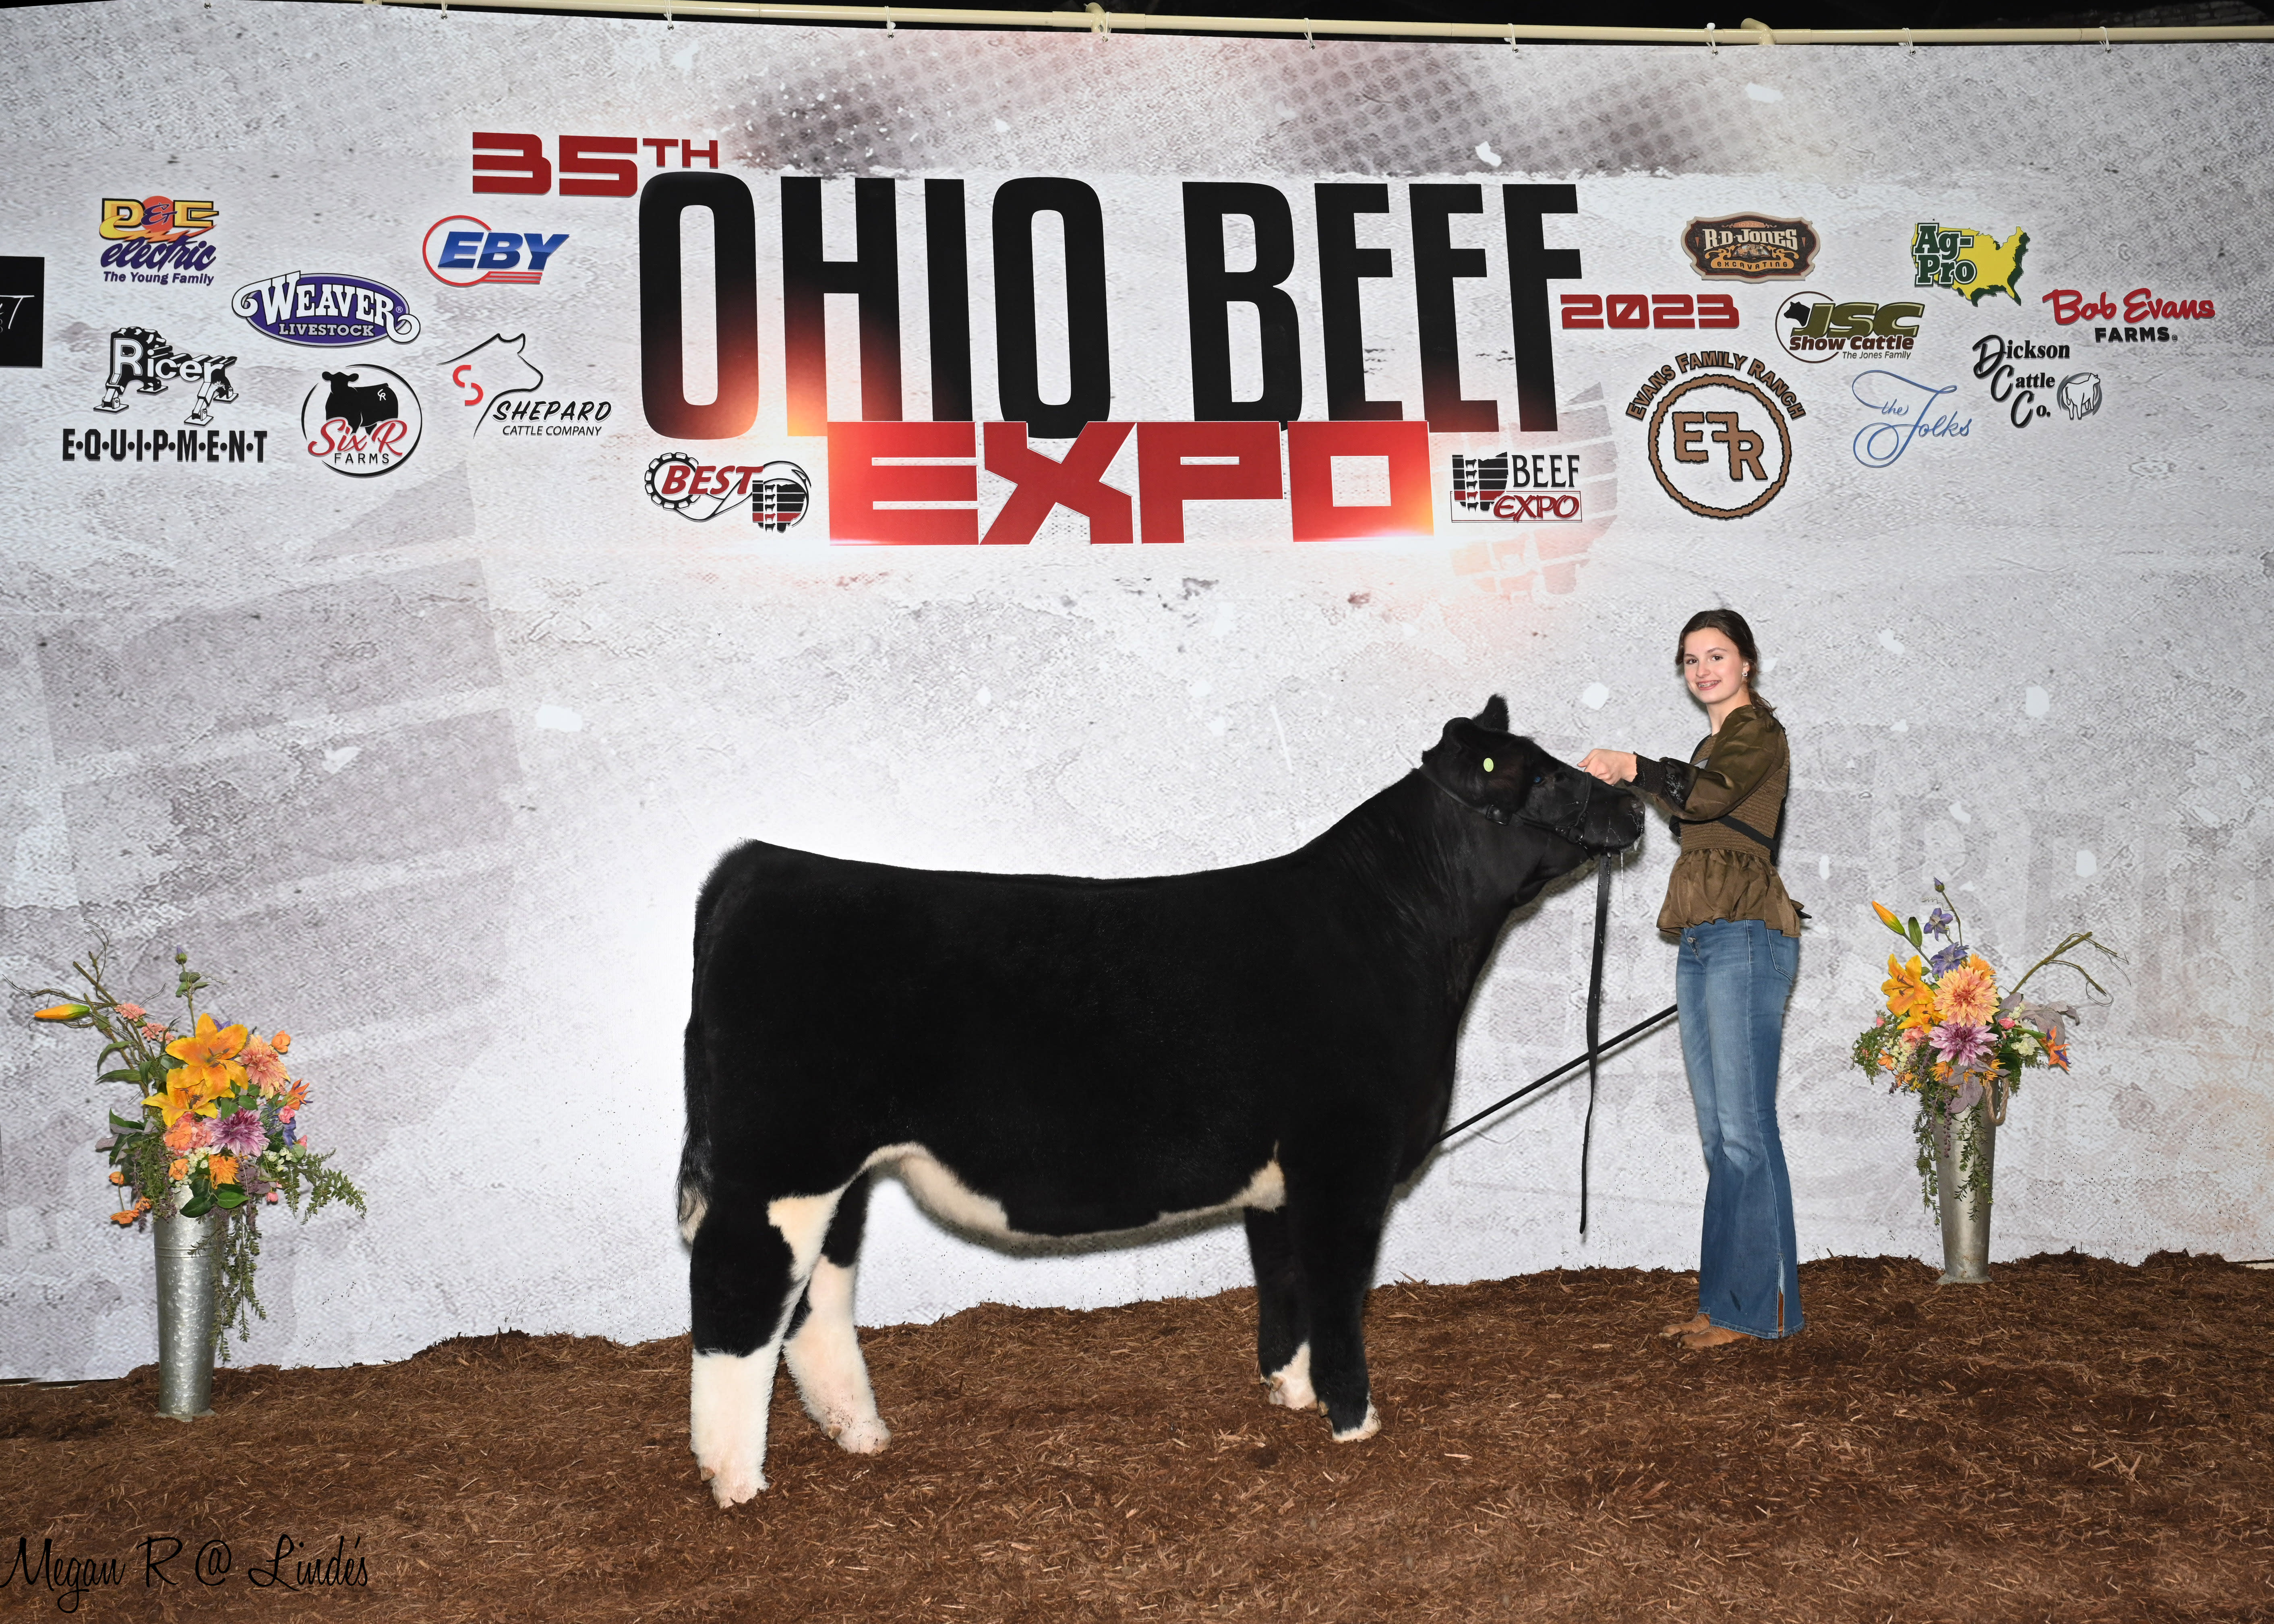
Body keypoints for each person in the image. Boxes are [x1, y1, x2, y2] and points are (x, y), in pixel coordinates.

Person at [1580, 609, 1804, 1350]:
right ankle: (1722, 1304)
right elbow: (1694, 808)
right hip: (1707, 936)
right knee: (1719, 1134)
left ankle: (1757, 1310)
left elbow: (1705, 801)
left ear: (1747, 663)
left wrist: (1633, 765)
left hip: (1745, 933)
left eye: (1717, 655)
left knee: (1745, 1129)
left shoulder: (1757, 733)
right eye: (1690, 659)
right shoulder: (1712, 743)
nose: (1703, 669)